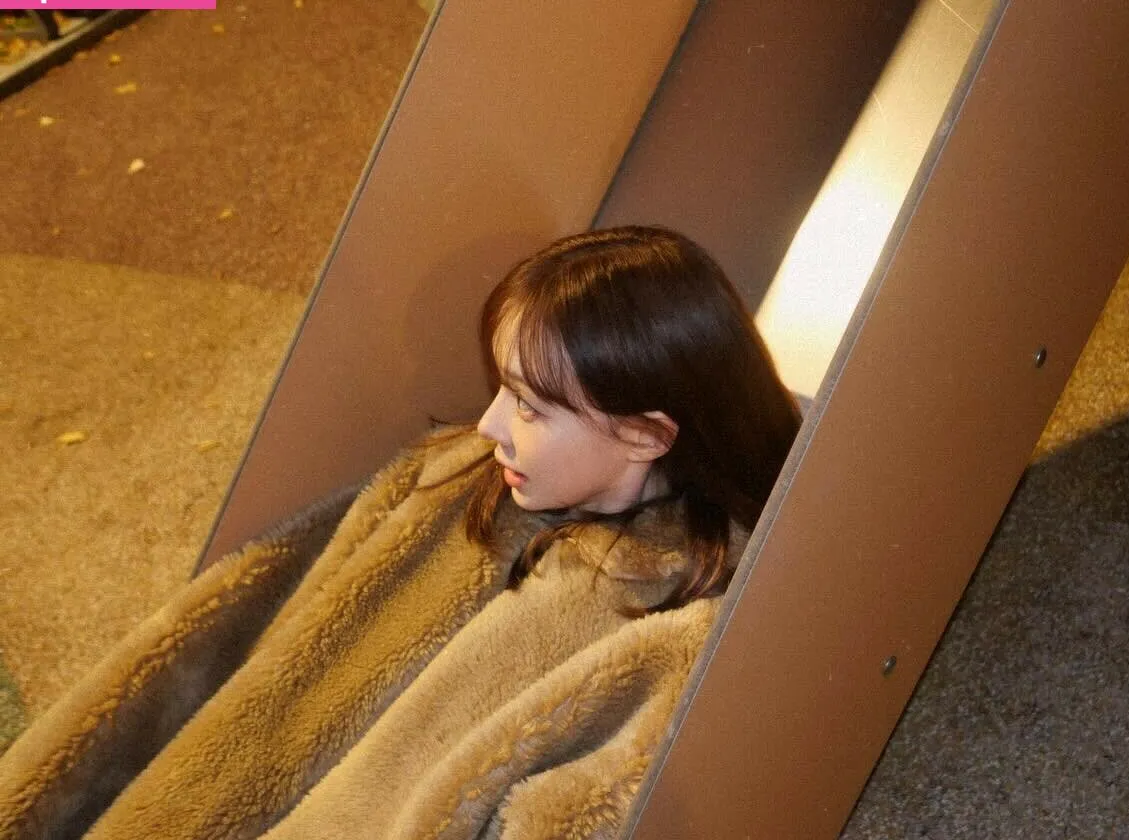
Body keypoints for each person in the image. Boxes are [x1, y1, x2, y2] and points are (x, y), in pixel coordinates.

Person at [0, 226, 802, 840]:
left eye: (529, 406)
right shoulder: (450, 483)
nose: (489, 425)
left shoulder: (680, 628)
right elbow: (256, 620)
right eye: (501, 390)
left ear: (644, 433)